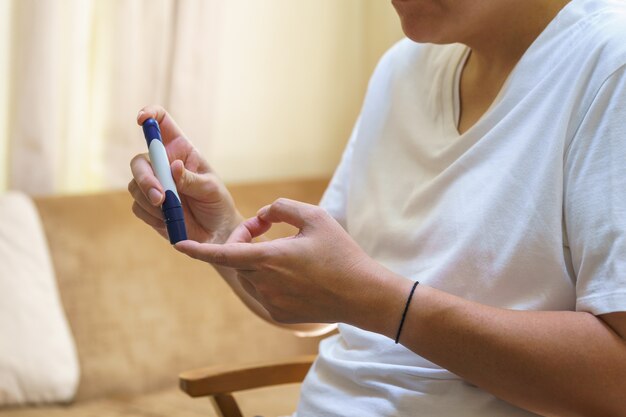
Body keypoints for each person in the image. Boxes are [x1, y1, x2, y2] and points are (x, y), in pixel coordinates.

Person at [128, 0, 626, 415]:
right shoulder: (402, 68)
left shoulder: (608, 68)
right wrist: (221, 231)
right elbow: (326, 302)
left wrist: (378, 301)